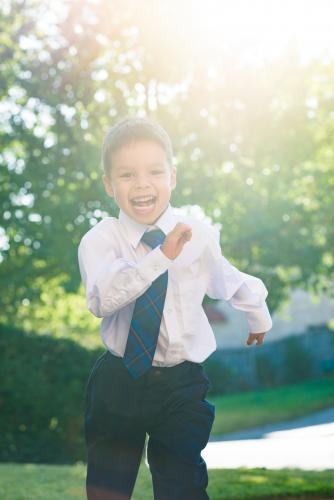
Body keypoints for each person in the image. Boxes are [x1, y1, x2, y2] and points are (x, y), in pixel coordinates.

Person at [78, 116, 273, 500]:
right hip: (120, 380)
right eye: (127, 175)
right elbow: (104, 299)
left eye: (154, 171)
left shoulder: (196, 233)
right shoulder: (101, 240)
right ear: (109, 184)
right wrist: (161, 257)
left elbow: (224, 276)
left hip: (181, 384)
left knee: (181, 481)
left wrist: (257, 310)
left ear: (172, 177)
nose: (142, 184)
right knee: (108, 489)